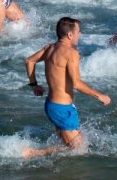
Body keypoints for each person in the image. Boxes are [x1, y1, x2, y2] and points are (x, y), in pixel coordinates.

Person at [21, 17, 111, 157]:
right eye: (78, 32)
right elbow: (76, 83)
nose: (79, 35)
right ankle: (32, 153)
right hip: (62, 109)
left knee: (71, 146)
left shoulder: (49, 48)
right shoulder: (71, 53)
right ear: (70, 35)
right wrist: (100, 96)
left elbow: (29, 61)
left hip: (54, 105)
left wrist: (34, 85)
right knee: (78, 150)